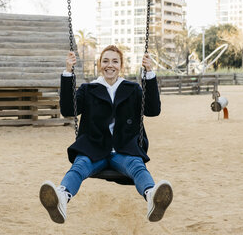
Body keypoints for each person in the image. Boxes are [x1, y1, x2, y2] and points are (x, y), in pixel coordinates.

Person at [39, 45, 173, 224]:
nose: (110, 65)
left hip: (123, 150)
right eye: (106, 61)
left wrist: (149, 72)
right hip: (94, 148)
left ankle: (152, 197)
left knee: (137, 165)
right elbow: (69, 110)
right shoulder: (89, 89)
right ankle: (61, 198)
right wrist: (68, 71)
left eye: (115, 61)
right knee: (80, 165)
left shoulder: (132, 89)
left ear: (121, 66)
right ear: (99, 64)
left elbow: (153, 110)